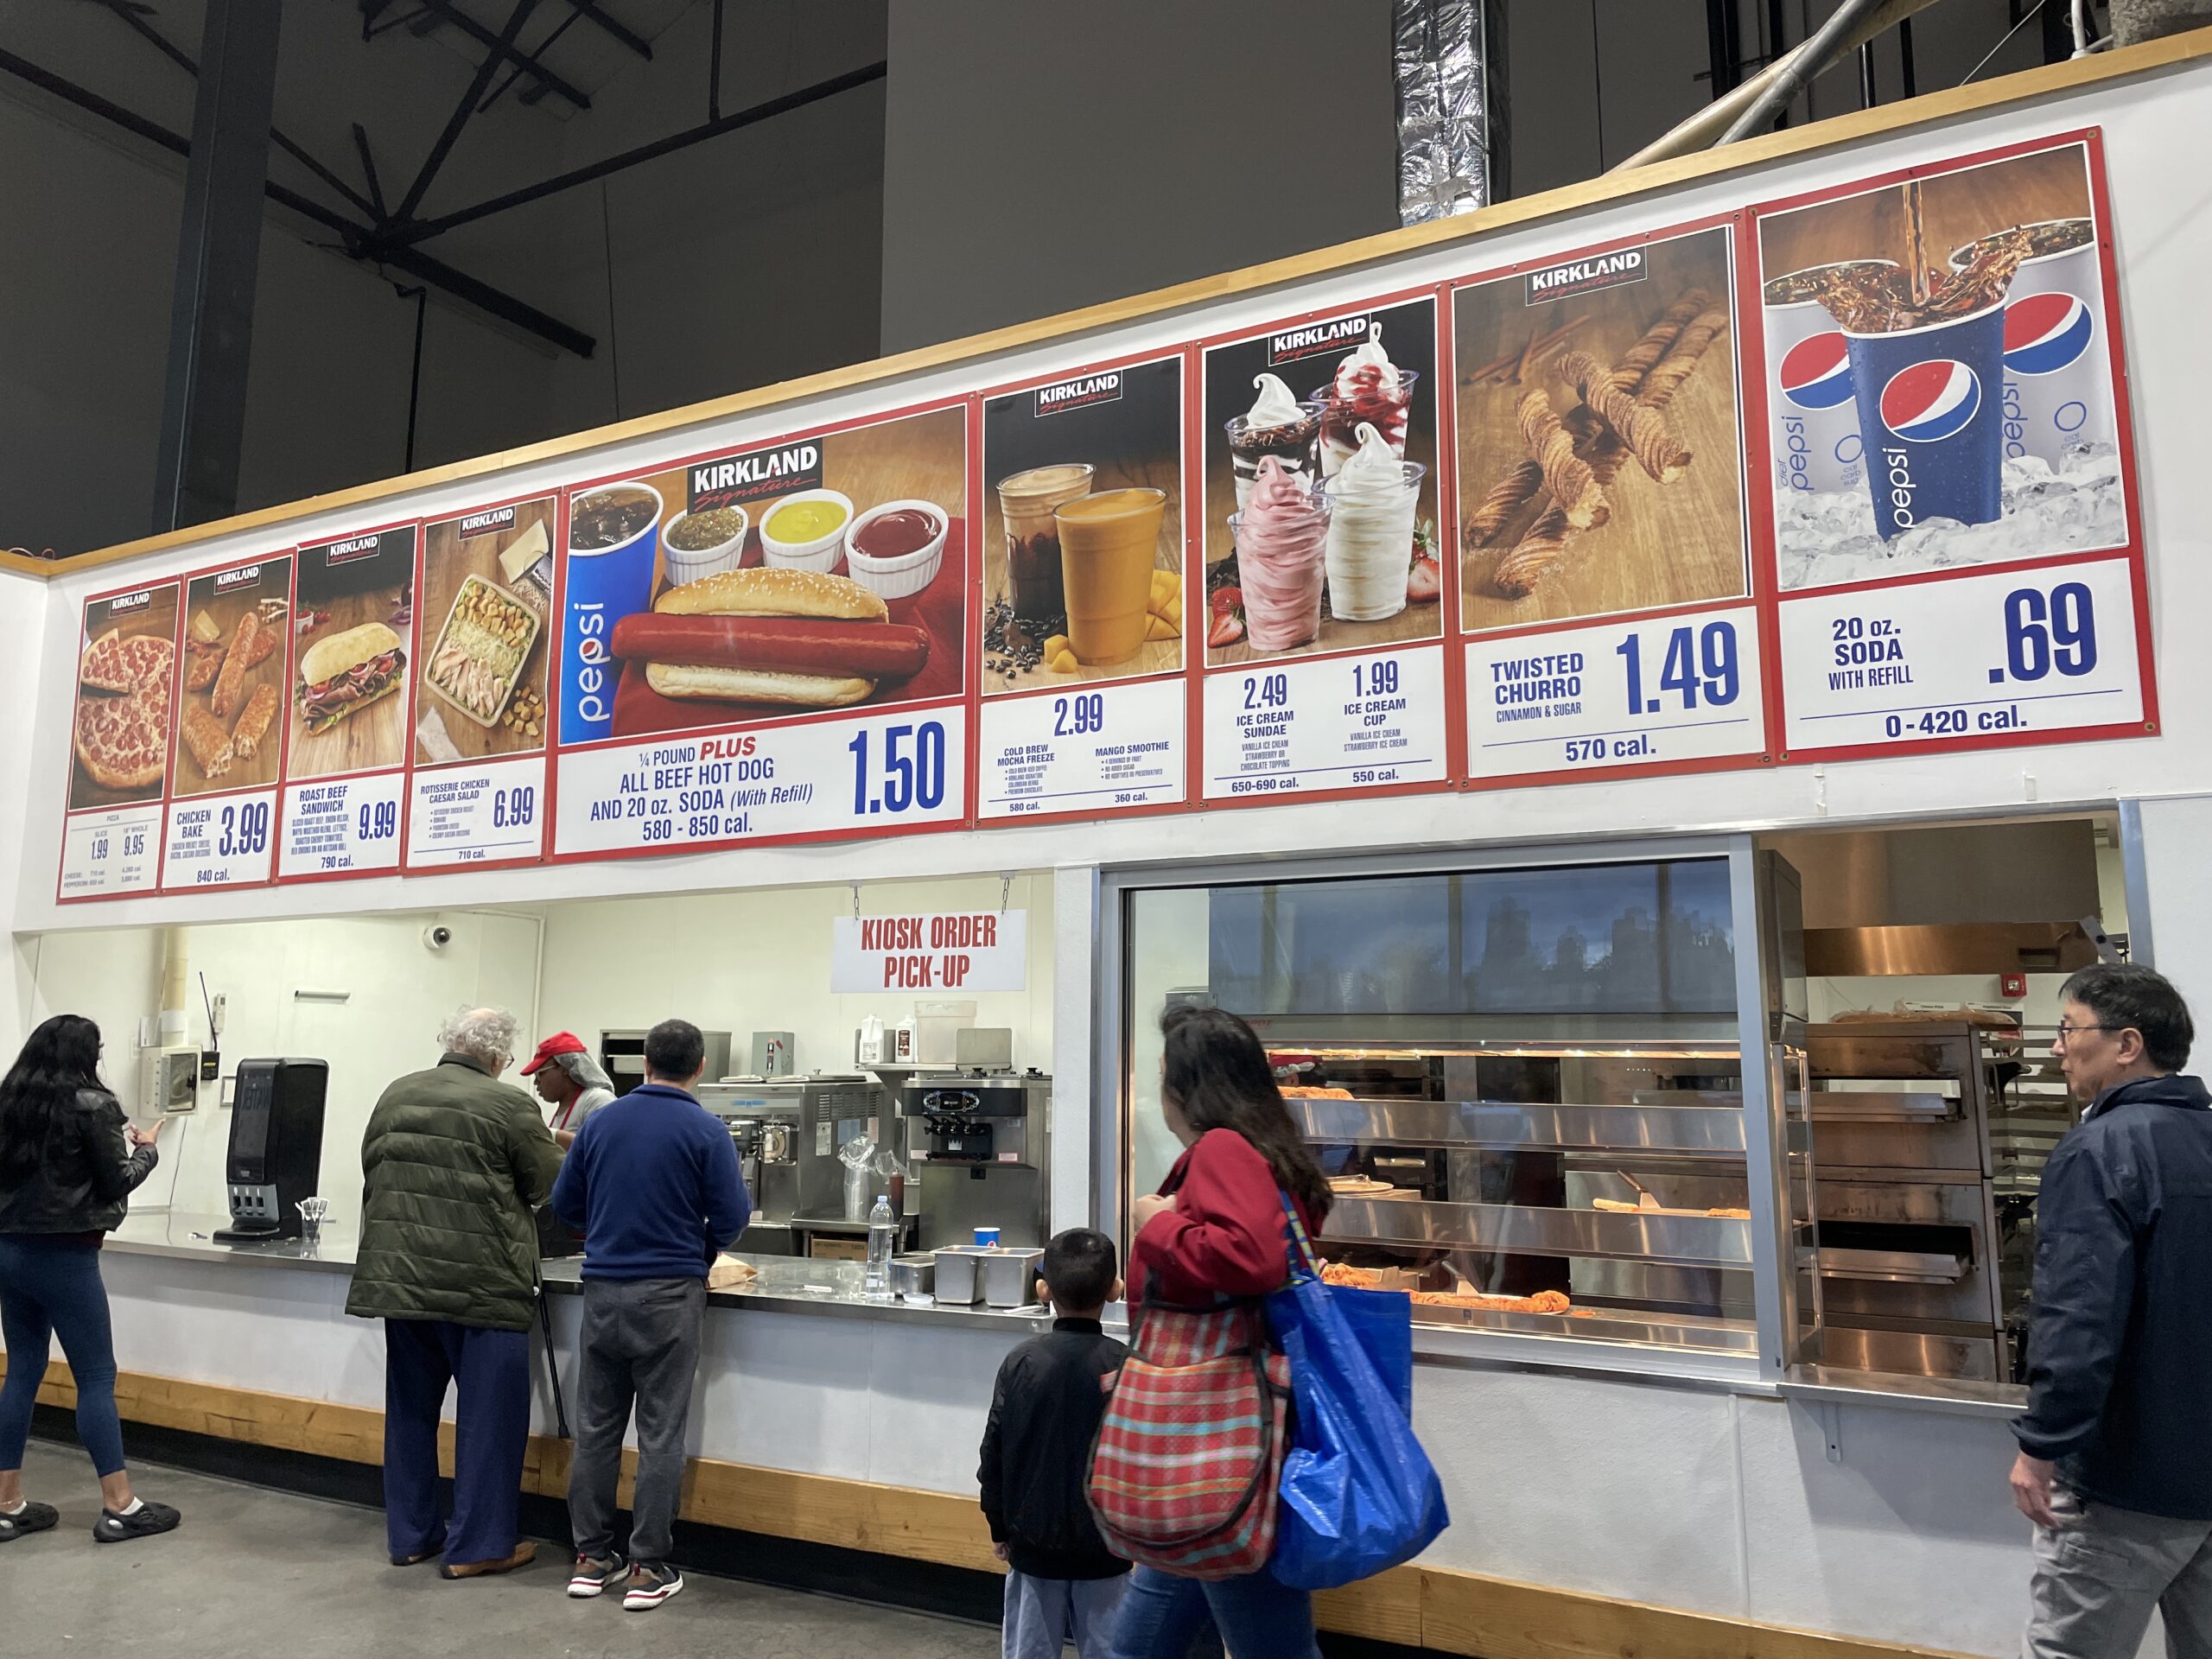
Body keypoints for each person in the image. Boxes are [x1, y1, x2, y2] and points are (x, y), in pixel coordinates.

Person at [1111, 1004, 1333, 1659]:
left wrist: (1156, 1223)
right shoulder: (1265, 1152)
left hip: (1215, 1433)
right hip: (1219, 1433)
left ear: (1188, 1087)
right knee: (1138, 1644)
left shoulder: (1221, 1149)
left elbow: (1250, 1260)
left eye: (1163, 1077)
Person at [2012, 963, 2212, 1658]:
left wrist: (2043, 1444)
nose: (2056, 1048)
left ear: (2127, 1044)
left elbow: (2079, 1315)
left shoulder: (2100, 1149)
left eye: (2068, 1029)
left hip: (2127, 1481)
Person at [346, 1005, 561, 1580]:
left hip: (402, 1281)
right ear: (497, 1057)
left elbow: (374, 1171)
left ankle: (412, 1536)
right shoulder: (511, 1104)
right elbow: (551, 1186)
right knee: (490, 1420)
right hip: (483, 1285)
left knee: (411, 1413)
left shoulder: (396, 1094)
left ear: (448, 1043)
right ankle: (479, 1546)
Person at [551, 1017, 750, 1611]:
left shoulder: (601, 1121)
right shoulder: (706, 1130)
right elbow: (734, 1217)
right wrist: (703, 1248)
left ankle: (590, 1558)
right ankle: (647, 1567)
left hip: (604, 1293)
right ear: (699, 1068)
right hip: (670, 1298)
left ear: (644, 1064)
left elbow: (566, 1206)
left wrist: (611, 1228)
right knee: (660, 1433)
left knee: (596, 1429)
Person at [0, 1014, 177, 1544]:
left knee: (23, 1372)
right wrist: (147, 1149)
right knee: (96, 1378)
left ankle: (7, 1504)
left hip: (8, 1252)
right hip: (67, 1257)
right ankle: (120, 1505)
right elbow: (116, 1179)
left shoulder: (8, 1104)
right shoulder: (95, 1106)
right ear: (87, 1055)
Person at [980, 1228, 1131, 1659]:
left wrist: (999, 1524)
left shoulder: (1021, 1362)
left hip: (1032, 1548)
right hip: (1107, 1549)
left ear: (1043, 1289)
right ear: (1116, 1289)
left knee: (1029, 1650)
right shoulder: (1124, 1366)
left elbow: (994, 1452)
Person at [522, 1033, 617, 1150]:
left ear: (564, 1068)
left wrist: (549, 1135)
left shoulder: (597, 1099)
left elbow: (605, 1147)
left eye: (540, 1073)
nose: (536, 1081)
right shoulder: (563, 1108)